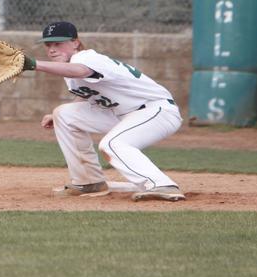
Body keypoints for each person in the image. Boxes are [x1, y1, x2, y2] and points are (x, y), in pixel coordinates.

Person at [29, 21, 185, 201]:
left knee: (112, 144)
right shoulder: (69, 66)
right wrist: (58, 113)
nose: (52, 49)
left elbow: (79, 71)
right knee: (63, 114)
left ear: (75, 42)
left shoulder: (86, 58)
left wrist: (34, 64)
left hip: (156, 110)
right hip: (123, 113)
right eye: (48, 45)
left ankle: (162, 185)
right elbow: (89, 92)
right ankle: (88, 182)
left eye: (58, 43)